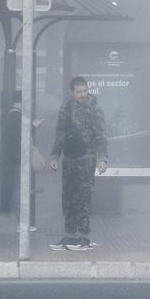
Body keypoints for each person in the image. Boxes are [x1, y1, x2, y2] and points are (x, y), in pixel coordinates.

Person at [48, 76, 108, 251]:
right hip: (69, 159)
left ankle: (84, 237)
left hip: (86, 158)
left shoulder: (94, 109)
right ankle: (70, 235)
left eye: (85, 90)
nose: (83, 94)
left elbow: (101, 136)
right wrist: (54, 156)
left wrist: (102, 159)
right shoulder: (65, 109)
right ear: (72, 92)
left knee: (83, 198)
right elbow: (60, 133)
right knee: (68, 198)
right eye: (79, 91)